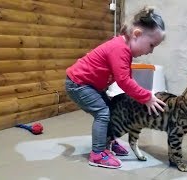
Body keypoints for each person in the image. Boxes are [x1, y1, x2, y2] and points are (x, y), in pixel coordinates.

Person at [65, 6, 166, 169]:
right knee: (103, 113)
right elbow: (124, 82)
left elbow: (127, 79)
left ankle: (107, 143)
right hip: (79, 84)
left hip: (91, 85)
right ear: (137, 34)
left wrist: (138, 95)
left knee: (111, 109)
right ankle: (97, 154)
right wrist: (147, 97)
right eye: (151, 45)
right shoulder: (120, 48)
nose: (150, 51)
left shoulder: (125, 49)